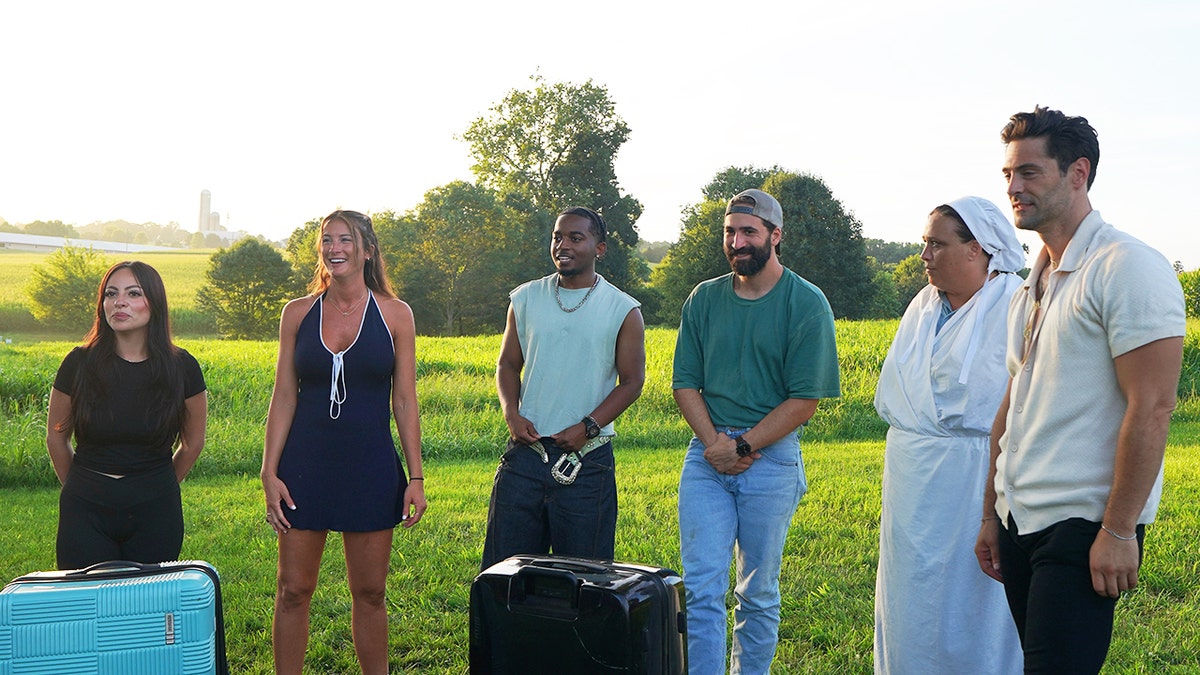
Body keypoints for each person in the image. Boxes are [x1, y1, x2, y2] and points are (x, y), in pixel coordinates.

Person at [974, 106, 1185, 673]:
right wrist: (992, 513)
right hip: (1019, 519)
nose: (1013, 188)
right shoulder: (1030, 284)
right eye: (1008, 174)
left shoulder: (1128, 266)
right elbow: (1013, 404)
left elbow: (1153, 406)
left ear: (1078, 173)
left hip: (1083, 523)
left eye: (1029, 172)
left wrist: (1119, 530)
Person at [673, 189, 841, 674]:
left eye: (749, 231)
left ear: (775, 235)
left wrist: (743, 445)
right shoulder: (704, 298)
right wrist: (716, 445)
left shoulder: (806, 303)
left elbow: (804, 400)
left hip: (771, 458)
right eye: (730, 232)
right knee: (701, 588)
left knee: (758, 591)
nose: (737, 242)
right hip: (707, 456)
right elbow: (685, 383)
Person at [261, 210, 426, 675]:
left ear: (367, 250)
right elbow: (284, 395)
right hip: (304, 468)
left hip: (370, 467)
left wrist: (415, 478)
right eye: (327, 239)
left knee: (370, 592)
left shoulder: (395, 314)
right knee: (293, 590)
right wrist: (269, 471)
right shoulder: (297, 313)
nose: (334, 248)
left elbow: (405, 400)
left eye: (345, 239)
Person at [873, 197, 1024, 674]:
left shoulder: (1016, 306)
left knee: (973, 598)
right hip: (911, 477)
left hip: (976, 474)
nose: (924, 255)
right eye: (925, 243)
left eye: (937, 244)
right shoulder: (922, 307)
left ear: (977, 249)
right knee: (909, 595)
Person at [481, 206, 645, 570]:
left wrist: (589, 426)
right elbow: (507, 364)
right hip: (526, 456)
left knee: (585, 579)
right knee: (507, 573)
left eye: (575, 237)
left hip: (586, 461)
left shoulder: (623, 309)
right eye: (557, 237)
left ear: (599, 248)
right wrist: (511, 414)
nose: (562, 245)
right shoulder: (525, 298)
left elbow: (633, 381)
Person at [46, 261, 208, 570]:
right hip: (85, 505)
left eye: (133, 293)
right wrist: (80, 487)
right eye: (111, 294)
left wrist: (156, 485)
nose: (119, 302)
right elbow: (56, 436)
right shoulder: (78, 363)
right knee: (87, 596)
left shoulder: (183, 367)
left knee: (145, 597)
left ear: (155, 303)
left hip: (156, 506)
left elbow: (192, 443)